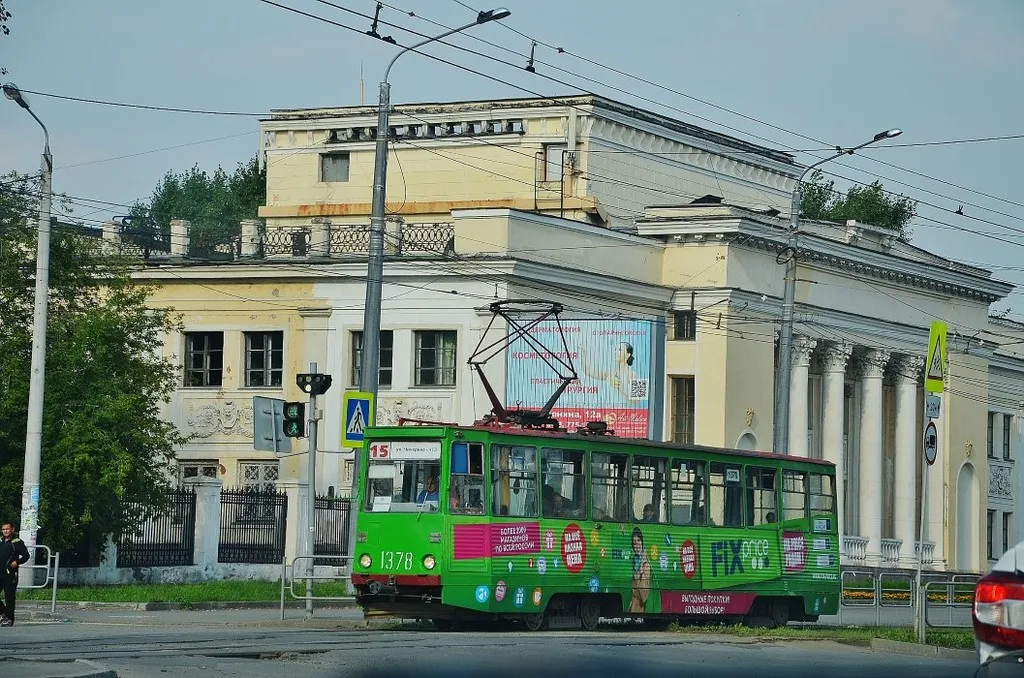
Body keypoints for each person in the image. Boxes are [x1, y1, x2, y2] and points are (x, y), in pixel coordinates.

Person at [0, 521, 30, 626]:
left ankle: (9, 619)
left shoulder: (17, 542)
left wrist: (17, 562)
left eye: (7, 529)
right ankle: (3, 611)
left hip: (10, 574)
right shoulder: (1, 541)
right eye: (3, 529)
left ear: (12, 529)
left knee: (9, 597)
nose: (5, 531)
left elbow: (26, 556)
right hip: (0, 573)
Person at [628, 527, 651, 614]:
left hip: (639, 603)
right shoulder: (633, 560)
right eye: (634, 543)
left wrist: (641, 566)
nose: (637, 545)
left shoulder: (646, 563)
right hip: (633, 602)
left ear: (642, 542)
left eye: (638, 541)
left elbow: (644, 593)